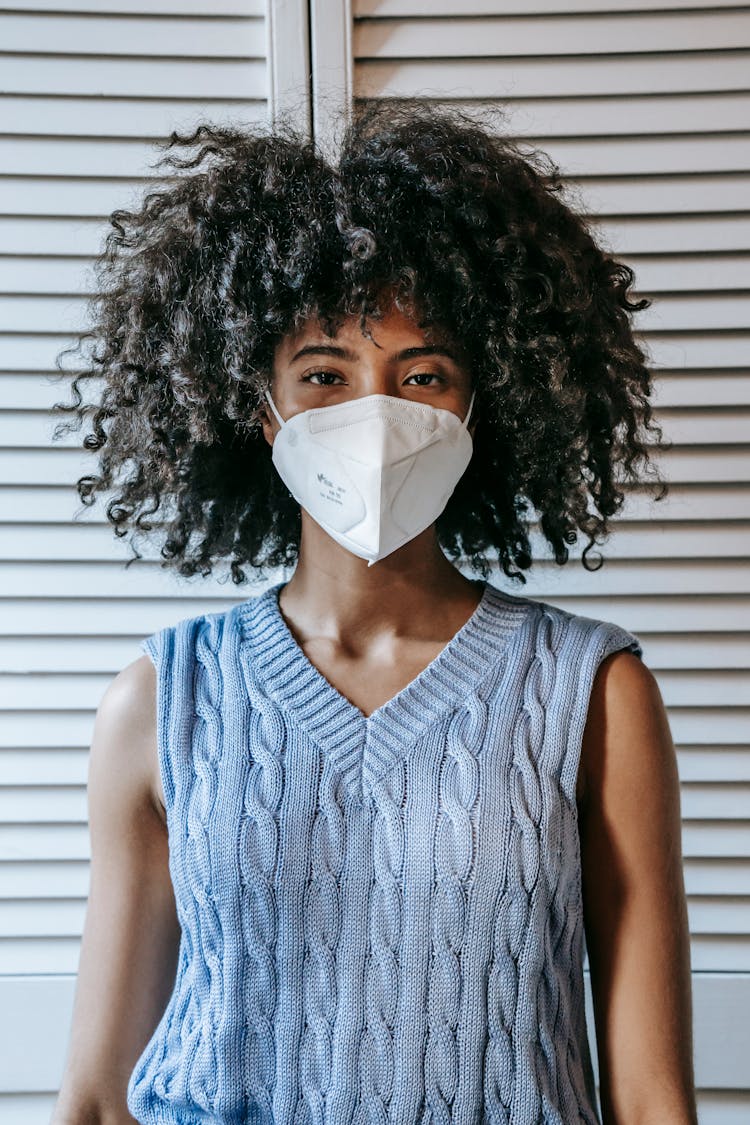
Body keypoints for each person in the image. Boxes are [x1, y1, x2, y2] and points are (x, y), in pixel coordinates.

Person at [49, 100, 698, 1125]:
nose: (375, 416)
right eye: (324, 375)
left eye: (423, 374)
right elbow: (93, 1098)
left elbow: (655, 1098)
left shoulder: (594, 695)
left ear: (488, 400)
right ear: (257, 409)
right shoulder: (161, 702)